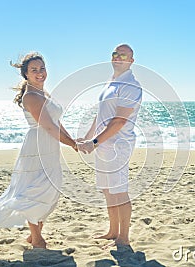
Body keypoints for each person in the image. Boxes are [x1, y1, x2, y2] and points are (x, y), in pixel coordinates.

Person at [0, 52, 78, 249]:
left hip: (50, 147)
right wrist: (72, 144)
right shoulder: (31, 96)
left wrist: (73, 141)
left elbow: (56, 122)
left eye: (42, 68)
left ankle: (35, 235)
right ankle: (37, 238)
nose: (39, 73)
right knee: (36, 189)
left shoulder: (44, 93)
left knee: (51, 189)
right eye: (34, 70)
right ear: (26, 74)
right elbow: (48, 126)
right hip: (37, 146)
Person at [78, 44, 142, 248]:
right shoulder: (111, 82)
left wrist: (94, 142)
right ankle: (112, 231)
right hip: (103, 145)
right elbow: (101, 115)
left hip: (117, 146)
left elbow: (119, 121)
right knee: (107, 190)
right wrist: (87, 138)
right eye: (115, 54)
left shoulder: (130, 85)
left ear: (131, 61)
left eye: (123, 55)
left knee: (119, 191)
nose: (118, 57)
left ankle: (123, 237)